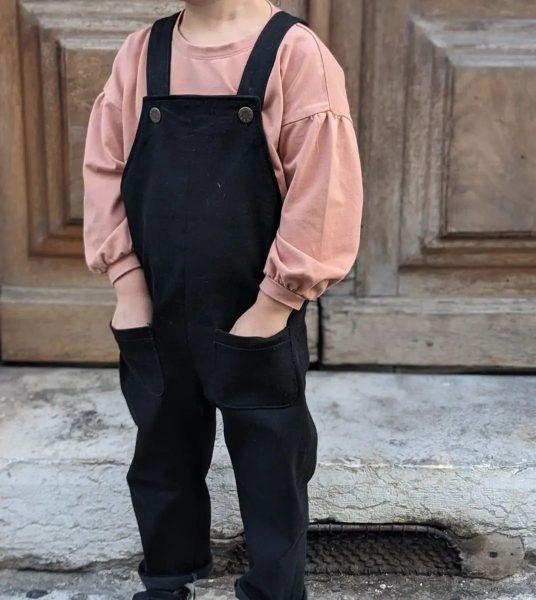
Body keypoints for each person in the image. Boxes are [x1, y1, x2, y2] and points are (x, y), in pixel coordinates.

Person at [82, 1, 363, 598]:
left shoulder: (294, 55)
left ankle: (273, 589)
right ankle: (167, 578)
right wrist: (127, 283)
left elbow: (323, 192)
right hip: (155, 311)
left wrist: (275, 305)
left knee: (272, 465)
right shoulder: (143, 53)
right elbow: (105, 168)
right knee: (162, 457)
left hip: (255, 313)